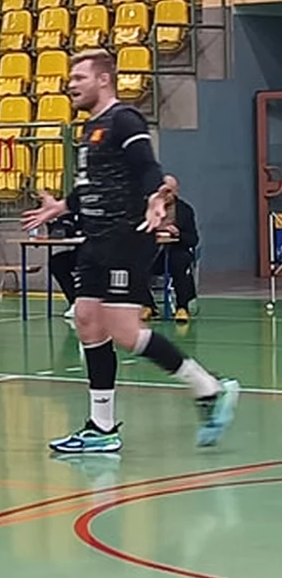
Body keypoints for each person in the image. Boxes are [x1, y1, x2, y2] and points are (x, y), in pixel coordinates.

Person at [21, 49, 238, 453]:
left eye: (79, 77)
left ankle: (208, 388)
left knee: (123, 331)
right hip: (96, 238)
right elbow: (92, 185)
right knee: (87, 320)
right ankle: (101, 428)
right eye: (71, 78)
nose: (71, 84)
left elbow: (147, 167)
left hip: (126, 237)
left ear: (104, 79)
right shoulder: (91, 128)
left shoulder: (125, 119)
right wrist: (62, 206)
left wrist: (156, 197)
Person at [142, 174, 199, 323]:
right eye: (162, 192)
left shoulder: (185, 210)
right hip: (152, 251)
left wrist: (178, 234)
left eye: (169, 192)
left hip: (176, 250)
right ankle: (148, 305)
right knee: (135, 264)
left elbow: (193, 239)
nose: (165, 196)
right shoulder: (146, 208)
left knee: (180, 262)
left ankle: (182, 307)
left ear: (176, 191)